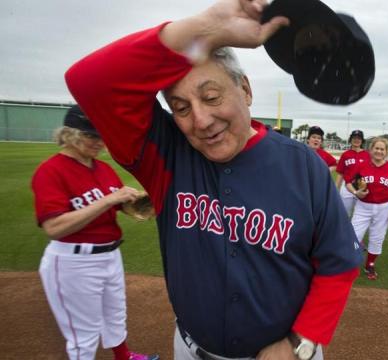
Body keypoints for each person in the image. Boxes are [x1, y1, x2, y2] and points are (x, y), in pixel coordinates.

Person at [64, 1, 363, 359]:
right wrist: (208, 27)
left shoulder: (304, 166)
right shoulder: (165, 155)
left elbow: (338, 261)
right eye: (181, 107)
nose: (201, 120)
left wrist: (300, 342)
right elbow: (88, 81)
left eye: (211, 96)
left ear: (246, 91)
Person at [31, 106, 158, 360]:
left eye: (101, 136)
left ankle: (123, 357)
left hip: (110, 255)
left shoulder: (102, 169)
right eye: (91, 136)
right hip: (73, 261)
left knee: (115, 314)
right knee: (83, 335)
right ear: (69, 134)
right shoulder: (50, 171)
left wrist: (135, 201)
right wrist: (109, 199)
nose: (98, 142)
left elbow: (114, 203)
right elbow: (54, 227)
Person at [345, 137, 388, 280]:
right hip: (363, 207)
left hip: (384, 208)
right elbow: (348, 183)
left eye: (382, 149)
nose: (379, 151)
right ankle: (349, 264)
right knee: (353, 236)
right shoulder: (362, 165)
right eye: (376, 148)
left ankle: (369, 264)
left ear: (386, 152)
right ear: (370, 150)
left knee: (377, 238)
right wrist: (356, 192)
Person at [334, 130, 370, 215]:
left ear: (362, 141)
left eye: (359, 138)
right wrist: (336, 191)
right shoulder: (345, 155)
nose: (356, 140)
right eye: (354, 138)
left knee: (361, 214)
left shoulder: (367, 155)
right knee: (345, 214)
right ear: (350, 140)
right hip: (347, 188)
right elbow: (340, 174)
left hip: (362, 187)